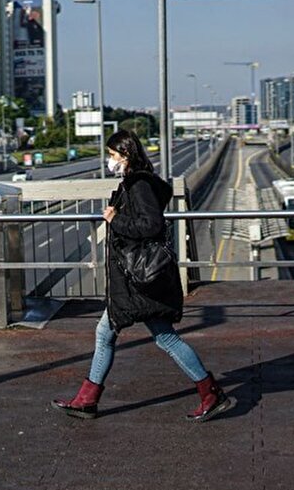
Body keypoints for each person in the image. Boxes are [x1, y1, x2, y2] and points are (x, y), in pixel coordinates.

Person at [52, 129, 233, 422]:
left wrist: (115, 219)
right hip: (135, 280)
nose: (109, 161)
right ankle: (87, 399)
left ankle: (210, 393)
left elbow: (151, 225)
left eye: (112, 155)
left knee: (160, 338)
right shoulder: (134, 183)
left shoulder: (138, 185)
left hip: (138, 281)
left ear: (125, 155)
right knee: (127, 335)